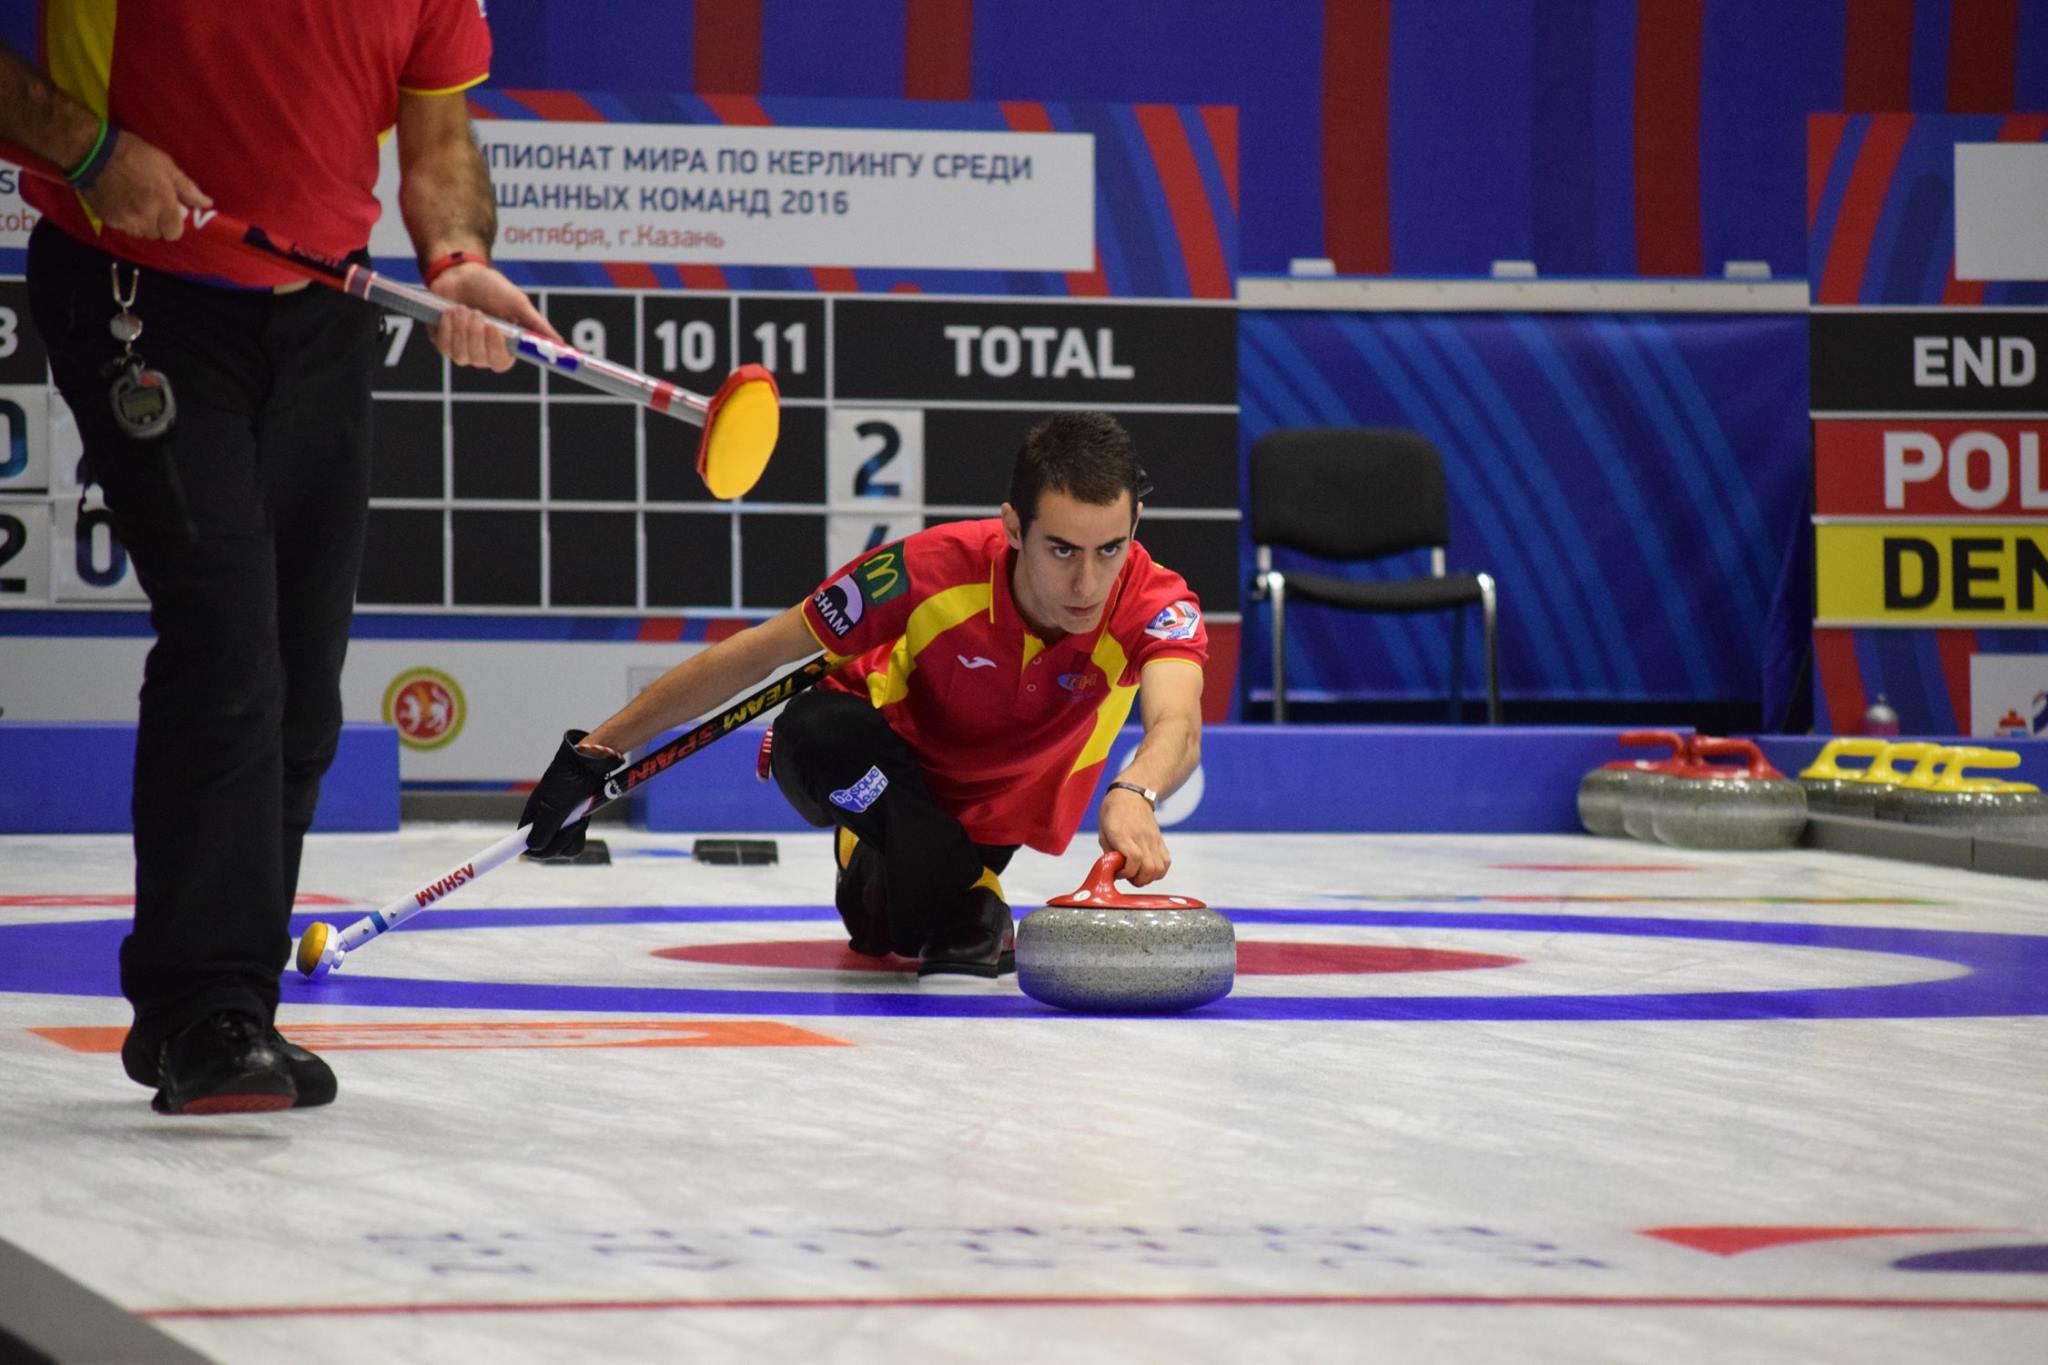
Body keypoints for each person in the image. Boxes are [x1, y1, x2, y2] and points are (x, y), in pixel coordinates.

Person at [0, 3, 560, 1114]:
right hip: (136, 296)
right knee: (227, 655)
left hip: (322, 317)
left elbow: (438, 139)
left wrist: (456, 259)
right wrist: (92, 152)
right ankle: (203, 1009)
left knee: (303, 689)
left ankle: (226, 1013)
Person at [522, 412, 1207, 977]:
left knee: (896, 928)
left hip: (988, 824)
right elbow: (761, 651)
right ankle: (970, 899)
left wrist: (1135, 790)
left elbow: (1176, 718)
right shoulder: (927, 570)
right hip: (873, 781)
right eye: (1061, 551)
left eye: (1109, 549)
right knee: (817, 734)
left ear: (1135, 525)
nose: (1088, 584)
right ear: (1012, 526)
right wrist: (596, 750)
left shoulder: (1153, 601)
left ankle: (968, 894)